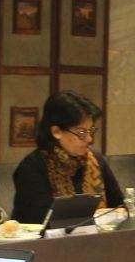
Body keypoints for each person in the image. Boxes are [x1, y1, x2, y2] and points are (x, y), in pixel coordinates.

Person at [10, 90, 125, 223]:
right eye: (81, 132)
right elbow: (37, 223)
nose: (89, 139)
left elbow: (119, 206)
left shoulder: (95, 160)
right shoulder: (32, 167)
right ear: (56, 132)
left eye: (91, 130)